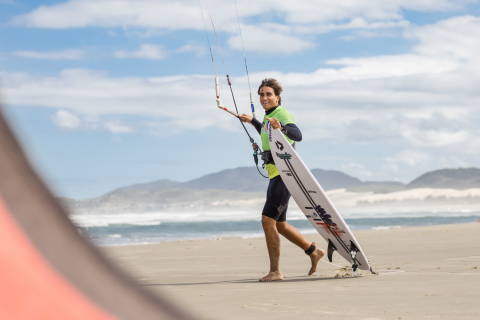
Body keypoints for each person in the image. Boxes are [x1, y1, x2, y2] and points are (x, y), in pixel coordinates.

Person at [239, 78, 325, 282]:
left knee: (267, 221)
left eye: (268, 94)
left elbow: (297, 134)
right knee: (280, 225)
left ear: (277, 97)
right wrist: (252, 122)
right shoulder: (269, 117)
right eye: (261, 94)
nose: (264, 97)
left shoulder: (282, 114)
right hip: (274, 174)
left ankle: (276, 271)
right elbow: (266, 130)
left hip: (285, 174)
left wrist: (282, 127)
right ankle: (313, 251)